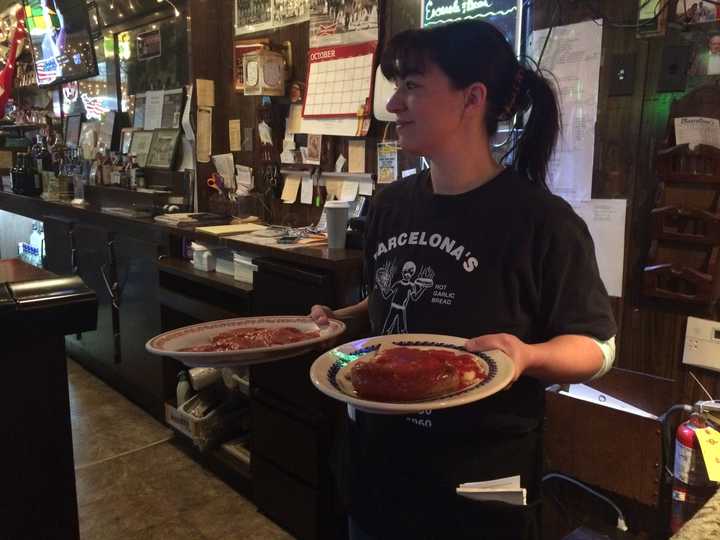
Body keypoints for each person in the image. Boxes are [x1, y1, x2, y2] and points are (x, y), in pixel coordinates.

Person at [310, 20, 616, 540]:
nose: (393, 105)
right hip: (377, 468)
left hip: (475, 484)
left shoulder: (543, 223)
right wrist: (337, 322)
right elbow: (389, 303)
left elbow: (597, 348)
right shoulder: (390, 205)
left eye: (412, 86)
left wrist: (527, 356)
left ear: (472, 99)